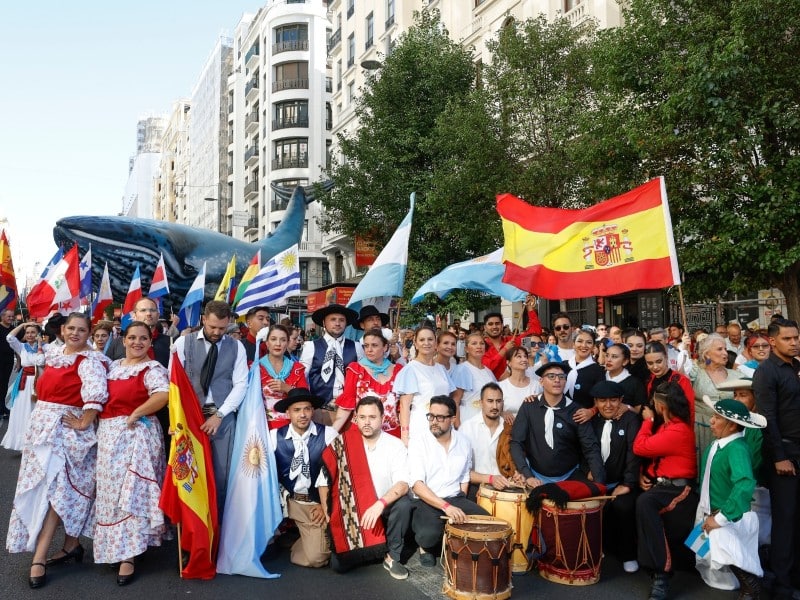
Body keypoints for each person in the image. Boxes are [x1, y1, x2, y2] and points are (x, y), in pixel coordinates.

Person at [6, 312, 108, 589]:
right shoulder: (53, 353)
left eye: (81, 330)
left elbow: (97, 395)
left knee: (55, 492)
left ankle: (38, 557)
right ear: (62, 329)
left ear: (90, 333)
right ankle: (72, 545)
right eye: (71, 328)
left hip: (66, 433)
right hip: (41, 427)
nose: (75, 333)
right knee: (47, 489)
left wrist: (84, 421)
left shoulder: (91, 361)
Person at [93, 321, 169, 586]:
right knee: (110, 493)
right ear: (123, 340)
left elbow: (162, 395)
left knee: (133, 492)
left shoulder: (153, 368)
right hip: (108, 435)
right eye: (132, 337)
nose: (137, 342)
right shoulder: (112, 367)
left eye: (143, 339)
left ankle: (130, 555)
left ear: (150, 342)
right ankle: (115, 546)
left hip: (136, 433)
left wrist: (136, 412)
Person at [170, 300, 247, 522]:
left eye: (222, 328)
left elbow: (241, 384)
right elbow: (174, 382)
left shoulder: (236, 347)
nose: (216, 332)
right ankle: (193, 531)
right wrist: (176, 419)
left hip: (223, 419)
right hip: (190, 418)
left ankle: (219, 528)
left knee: (222, 476)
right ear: (204, 319)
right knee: (191, 475)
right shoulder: (184, 343)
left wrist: (220, 415)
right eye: (213, 327)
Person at [318, 396, 411, 579]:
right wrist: (329, 515)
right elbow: (323, 482)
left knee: (404, 505)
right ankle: (369, 548)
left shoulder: (395, 445)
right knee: (338, 566)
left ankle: (392, 556)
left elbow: (403, 484)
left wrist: (380, 504)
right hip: (353, 512)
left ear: (382, 418)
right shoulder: (342, 443)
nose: (366, 422)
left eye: (372, 417)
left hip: (384, 508)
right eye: (362, 417)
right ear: (355, 419)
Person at [693, 396, 765, 596]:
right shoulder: (716, 444)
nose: (711, 421)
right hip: (706, 508)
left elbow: (744, 483)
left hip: (725, 514)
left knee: (724, 549)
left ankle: (750, 585)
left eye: (717, 417)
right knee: (701, 553)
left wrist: (720, 518)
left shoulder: (737, 449)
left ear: (732, 425)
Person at [634, 382, 698, 600]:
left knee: (645, 503)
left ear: (661, 406)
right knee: (643, 500)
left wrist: (647, 421)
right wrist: (644, 475)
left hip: (679, 489)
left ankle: (662, 572)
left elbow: (640, 447)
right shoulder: (668, 427)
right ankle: (654, 567)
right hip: (663, 485)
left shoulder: (677, 430)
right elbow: (657, 458)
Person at [407, 395, 488, 567]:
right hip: (427, 500)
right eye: (431, 416)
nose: (434, 421)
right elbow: (417, 485)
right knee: (428, 536)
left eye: (440, 417)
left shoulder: (464, 442)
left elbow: (464, 477)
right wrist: (447, 508)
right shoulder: (418, 442)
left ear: (452, 419)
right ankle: (425, 548)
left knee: (486, 523)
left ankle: (451, 539)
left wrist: (460, 505)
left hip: (455, 497)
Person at [752, 318, 800, 600]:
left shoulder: (796, 367)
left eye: (796, 338)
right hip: (783, 453)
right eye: (788, 339)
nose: (794, 342)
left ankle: (795, 577)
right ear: (773, 341)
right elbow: (767, 418)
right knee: (785, 519)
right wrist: (780, 457)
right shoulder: (766, 372)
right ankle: (782, 585)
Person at [270, 388, 338, 567]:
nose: (302, 415)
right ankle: (284, 536)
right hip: (288, 501)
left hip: (314, 504)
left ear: (312, 410)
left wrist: (325, 505)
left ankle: (298, 543)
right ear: (288, 412)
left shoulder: (328, 434)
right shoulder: (274, 436)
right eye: (297, 410)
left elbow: (337, 475)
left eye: (307, 409)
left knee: (317, 558)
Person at [510, 362, 606, 487]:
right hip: (535, 476)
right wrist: (527, 475)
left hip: (570, 476)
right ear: (541, 381)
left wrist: (599, 484)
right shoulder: (529, 406)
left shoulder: (576, 410)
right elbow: (516, 442)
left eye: (561, 377)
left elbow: (591, 448)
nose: (557, 380)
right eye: (551, 376)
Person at [589, 380, 641, 574]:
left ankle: (628, 555)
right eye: (602, 401)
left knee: (623, 506)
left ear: (621, 400)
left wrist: (627, 483)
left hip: (621, 482)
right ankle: (595, 549)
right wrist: (588, 469)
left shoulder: (630, 420)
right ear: (596, 402)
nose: (608, 405)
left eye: (613, 400)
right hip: (596, 481)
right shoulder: (591, 421)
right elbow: (584, 449)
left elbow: (633, 453)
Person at [332, 328, 402, 436]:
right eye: (366, 345)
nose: (369, 349)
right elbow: (346, 406)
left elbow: (402, 409)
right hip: (361, 434)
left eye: (374, 345)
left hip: (392, 435)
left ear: (385, 347)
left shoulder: (398, 371)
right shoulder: (355, 369)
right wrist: (331, 433)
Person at [300, 304, 361, 425]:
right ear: (324, 323)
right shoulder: (310, 346)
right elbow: (302, 378)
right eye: (333, 319)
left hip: (349, 411)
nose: (337, 323)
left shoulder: (357, 347)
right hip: (320, 411)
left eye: (341, 320)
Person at [688, 333, 740, 472]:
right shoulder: (696, 372)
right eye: (719, 349)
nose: (725, 353)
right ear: (707, 354)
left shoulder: (736, 375)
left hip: (730, 429)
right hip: (701, 428)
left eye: (725, 349)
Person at [395, 326, 455, 445]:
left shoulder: (441, 369)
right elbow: (404, 406)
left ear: (435, 343)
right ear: (415, 344)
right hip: (421, 427)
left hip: (444, 427)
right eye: (422, 340)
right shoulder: (410, 369)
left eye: (430, 339)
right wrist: (405, 436)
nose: (426, 343)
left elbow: (450, 397)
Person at [459, 382, 519, 495]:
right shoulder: (467, 428)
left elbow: (517, 460)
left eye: (498, 401)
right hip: (476, 488)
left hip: (506, 488)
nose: (495, 406)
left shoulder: (510, 428)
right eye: (490, 401)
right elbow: (461, 471)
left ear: (503, 403)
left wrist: (517, 474)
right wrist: (490, 479)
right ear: (481, 403)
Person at [2, 322, 44, 451]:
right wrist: (24, 324)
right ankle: (23, 444)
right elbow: (9, 337)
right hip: (24, 383)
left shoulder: (46, 347)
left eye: (33, 332)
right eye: (28, 332)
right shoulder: (21, 347)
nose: (30, 335)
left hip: (39, 382)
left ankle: (37, 442)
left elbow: (41, 361)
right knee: (23, 410)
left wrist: (40, 345)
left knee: (37, 411)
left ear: (38, 334)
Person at [259, 323, 308, 430]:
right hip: (262, 426)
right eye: (273, 339)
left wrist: (287, 388)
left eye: (283, 340)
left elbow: (305, 399)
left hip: (291, 426)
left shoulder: (296, 368)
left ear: (287, 343)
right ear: (267, 343)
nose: (278, 344)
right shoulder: (255, 368)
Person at [481, 297, 543, 379]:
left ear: (502, 325)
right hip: (491, 389)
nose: (494, 326)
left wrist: (529, 308)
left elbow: (535, 332)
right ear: (485, 327)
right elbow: (486, 367)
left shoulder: (512, 341)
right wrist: (505, 349)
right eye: (490, 324)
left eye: (497, 323)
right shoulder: (481, 345)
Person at [106, 297, 170, 367]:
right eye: (143, 310)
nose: (148, 313)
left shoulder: (171, 342)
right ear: (134, 315)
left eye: (152, 310)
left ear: (158, 315)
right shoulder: (117, 343)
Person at [451, 332, 497, 426]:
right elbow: (455, 401)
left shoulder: (488, 372)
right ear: (467, 349)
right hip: (468, 419)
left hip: (487, 421)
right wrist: (457, 425)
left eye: (482, 343)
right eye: (474, 343)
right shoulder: (462, 369)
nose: (479, 346)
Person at [564, 328, 605, 421]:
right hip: (561, 417)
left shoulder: (598, 370)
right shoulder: (563, 365)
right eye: (580, 341)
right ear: (573, 344)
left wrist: (591, 411)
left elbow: (602, 399)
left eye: (589, 342)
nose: (584, 345)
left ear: (594, 346)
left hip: (585, 421)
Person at [498, 345, 542, 422]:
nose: (524, 359)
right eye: (519, 356)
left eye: (525, 356)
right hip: (508, 429)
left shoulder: (536, 385)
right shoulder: (501, 386)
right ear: (509, 363)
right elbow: (493, 410)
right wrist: (502, 413)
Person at [604, 342, 646, 413]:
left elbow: (639, 411)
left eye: (614, 356)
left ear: (625, 361)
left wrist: (628, 407)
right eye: (607, 355)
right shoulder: (599, 376)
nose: (609, 360)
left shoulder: (634, 383)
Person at [0, 308, 15, 420]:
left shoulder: (13, 329)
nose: (11, 318)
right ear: (2, 317)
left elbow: (20, 344)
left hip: (8, 360)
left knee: (4, 384)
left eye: (12, 316)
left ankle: (2, 407)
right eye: (8, 316)